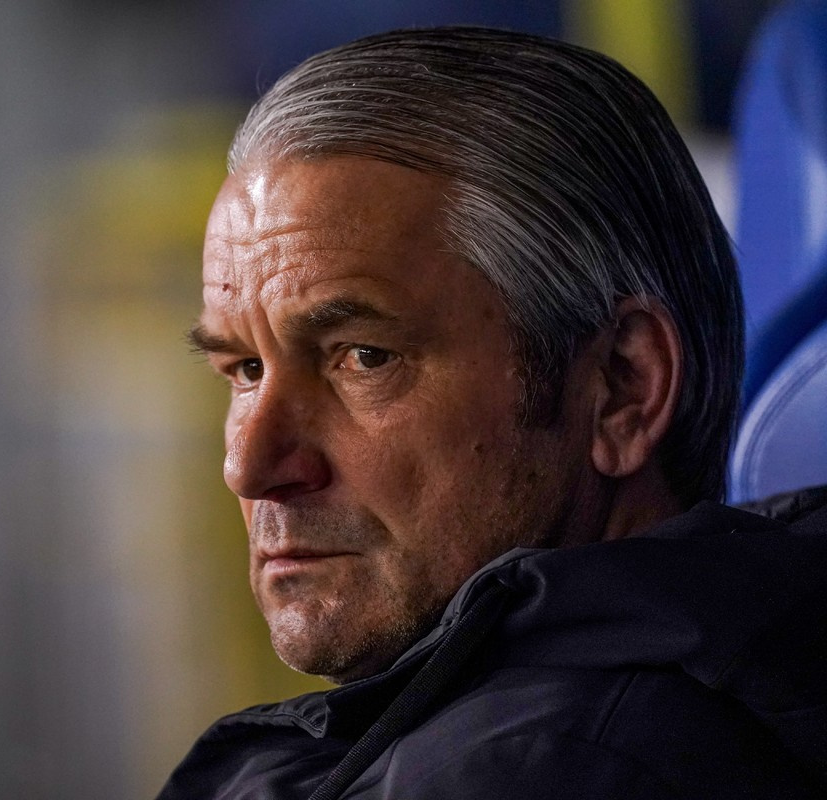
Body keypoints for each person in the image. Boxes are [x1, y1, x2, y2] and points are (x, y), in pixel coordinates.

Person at [159, 26, 827, 800]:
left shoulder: (547, 769)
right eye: (245, 369)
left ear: (622, 386)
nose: (249, 467)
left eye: (363, 357)